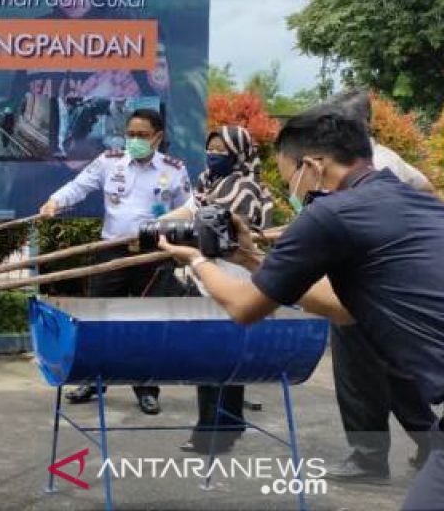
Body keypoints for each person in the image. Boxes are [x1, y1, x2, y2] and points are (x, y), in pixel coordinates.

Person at [159, 109, 444, 511]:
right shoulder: (413, 199)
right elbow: (344, 309)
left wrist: (194, 259)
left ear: (312, 165)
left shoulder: (328, 214)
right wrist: (253, 260)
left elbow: (243, 307)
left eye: (290, 175)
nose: (291, 187)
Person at [39, 108, 191, 415]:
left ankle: (146, 386)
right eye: (130, 134)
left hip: (152, 257)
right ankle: (95, 380)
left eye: (142, 135)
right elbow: (79, 186)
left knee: (146, 322)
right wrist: (55, 200)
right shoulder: (110, 162)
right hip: (111, 252)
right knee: (99, 319)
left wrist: (164, 240)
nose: (134, 140)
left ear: (158, 137)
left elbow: (187, 211)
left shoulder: (174, 170)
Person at [324, 90, 438, 482]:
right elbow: (427, 192)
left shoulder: (371, 164)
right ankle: (431, 441)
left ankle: (367, 458)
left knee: (358, 375)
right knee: (395, 369)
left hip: (359, 283)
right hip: (387, 284)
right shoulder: (388, 159)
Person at [160, 126, 275, 454]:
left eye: (222, 150)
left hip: (235, 278)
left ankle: (212, 432)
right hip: (204, 277)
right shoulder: (207, 181)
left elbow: (218, 226)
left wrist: (181, 235)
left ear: (239, 152)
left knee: (213, 356)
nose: (214, 155)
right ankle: (227, 425)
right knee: (219, 356)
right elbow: (191, 211)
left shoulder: (245, 187)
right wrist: (158, 223)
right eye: (210, 148)